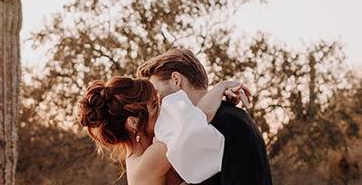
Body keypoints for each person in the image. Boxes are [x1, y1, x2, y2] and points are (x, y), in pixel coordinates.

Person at [78, 74, 248, 185]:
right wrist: (222, 86)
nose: (162, 113)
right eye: (154, 107)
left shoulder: (138, 158)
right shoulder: (151, 157)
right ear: (134, 123)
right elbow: (198, 118)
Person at [138, 49, 273, 185]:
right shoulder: (191, 132)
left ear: (176, 80)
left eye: (158, 96)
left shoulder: (231, 122)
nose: (159, 107)